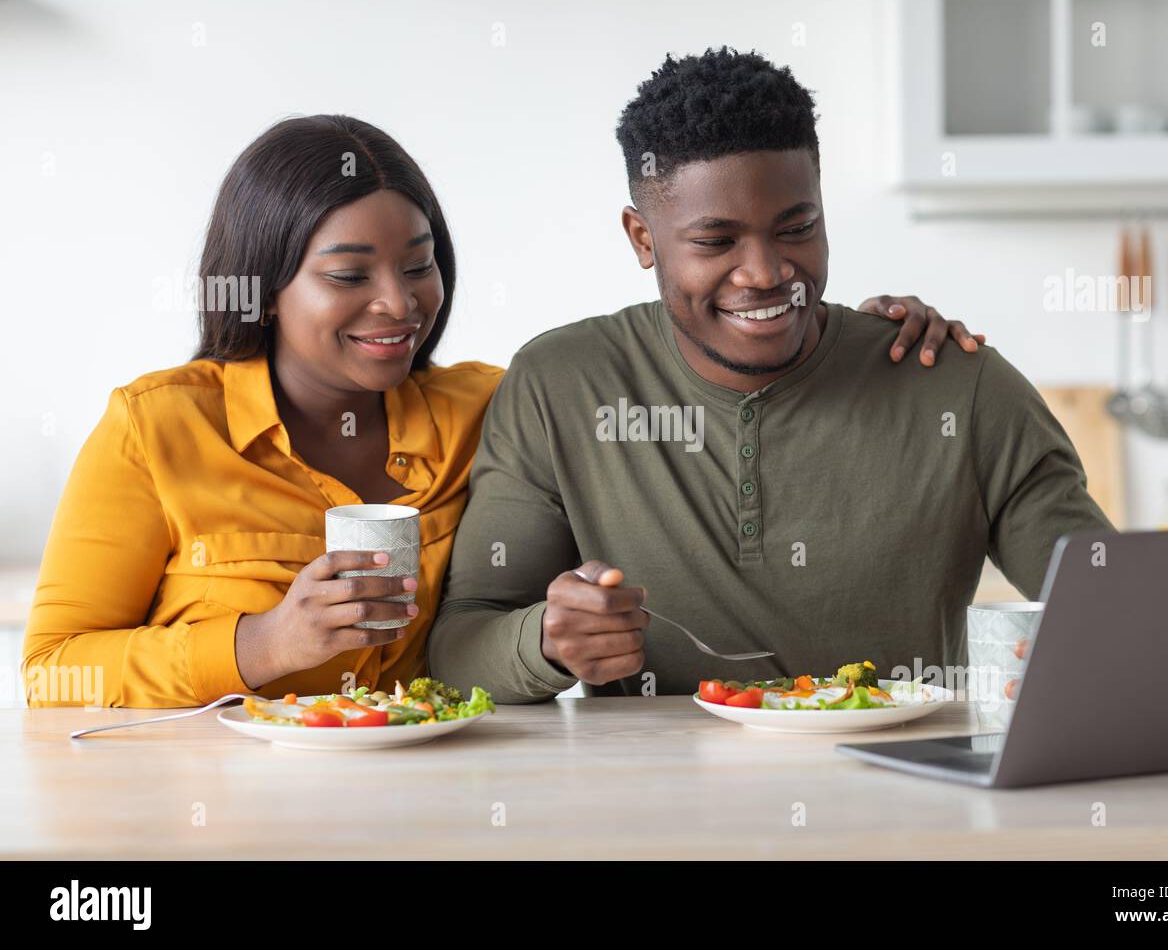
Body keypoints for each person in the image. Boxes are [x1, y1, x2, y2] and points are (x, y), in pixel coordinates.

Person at [22, 113, 972, 708]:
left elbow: (693, 368)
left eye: (420, 263)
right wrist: (262, 644)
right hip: (225, 813)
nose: (401, 302)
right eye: (350, 275)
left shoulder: (491, 405)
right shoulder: (158, 430)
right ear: (264, 289)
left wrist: (858, 338)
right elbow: (52, 668)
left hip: (444, 800)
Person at [429, 48, 1114, 702]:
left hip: (907, 794)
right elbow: (461, 646)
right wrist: (545, 644)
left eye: (796, 228)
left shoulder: (957, 384)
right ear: (643, 239)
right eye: (716, 241)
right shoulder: (560, 385)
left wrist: (1074, 656)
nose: (767, 273)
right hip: (657, 800)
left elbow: (1117, 603)